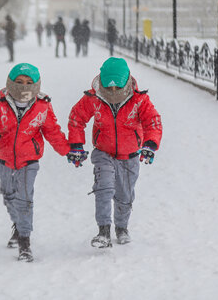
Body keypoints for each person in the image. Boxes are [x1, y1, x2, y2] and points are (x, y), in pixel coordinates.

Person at [0, 63, 86, 262]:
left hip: (29, 161)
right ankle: (18, 226)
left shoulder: (42, 106)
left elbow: (53, 132)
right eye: (19, 82)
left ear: (36, 85)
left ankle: (25, 241)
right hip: (4, 160)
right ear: (10, 83)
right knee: (9, 196)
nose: (24, 87)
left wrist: (69, 151)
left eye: (28, 83)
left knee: (24, 199)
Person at [67, 57, 162, 248]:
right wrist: (77, 144)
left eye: (117, 88)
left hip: (130, 156)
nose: (112, 92)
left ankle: (122, 227)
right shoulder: (93, 99)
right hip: (104, 153)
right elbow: (77, 118)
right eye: (108, 88)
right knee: (104, 189)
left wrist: (150, 143)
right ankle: (103, 231)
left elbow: (152, 122)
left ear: (126, 83)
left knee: (124, 195)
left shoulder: (139, 100)